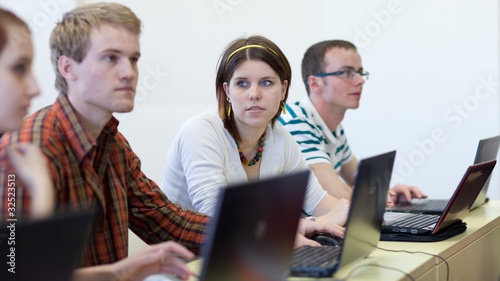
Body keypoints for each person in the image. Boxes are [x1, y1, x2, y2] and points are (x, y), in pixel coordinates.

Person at [0, 4, 345, 280]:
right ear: (67, 68)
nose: (129, 72)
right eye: (111, 58)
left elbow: (168, 221)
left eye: (133, 59)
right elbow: (18, 269)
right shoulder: (31, 145)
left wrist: (268, 234)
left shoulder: (114, 145)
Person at [161, 35, 349, 229]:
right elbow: (220, 219)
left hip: (252, 251)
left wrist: (351, 213)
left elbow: (319, 203)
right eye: (242, 83)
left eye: (266, 82)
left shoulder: (280, 137)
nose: (254, 94)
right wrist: (312, 223)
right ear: (227, 92)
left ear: (283, 90)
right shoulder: (200, 131)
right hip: (188, 256)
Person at [280, 40, 426, 205]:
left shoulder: (334, 127)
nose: (360, 81)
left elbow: (361, 184)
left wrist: (389, 194)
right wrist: (382, 200)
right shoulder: (296, 120)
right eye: (346, 73)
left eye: (360, 72)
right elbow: (337, 194)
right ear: (315, 83)